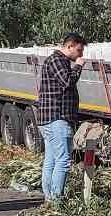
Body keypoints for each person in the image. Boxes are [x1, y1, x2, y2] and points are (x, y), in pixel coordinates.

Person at [35, 32, 87, 203]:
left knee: (51, 160)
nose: (81, 55)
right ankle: (56, 200)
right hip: (57, 118)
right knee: (64, 161)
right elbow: (67, 81)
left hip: (51, 119)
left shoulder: (58, 61)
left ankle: (50, 199)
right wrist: (78, 66)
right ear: (69, 46)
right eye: (79, 50)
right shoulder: (57, 60)